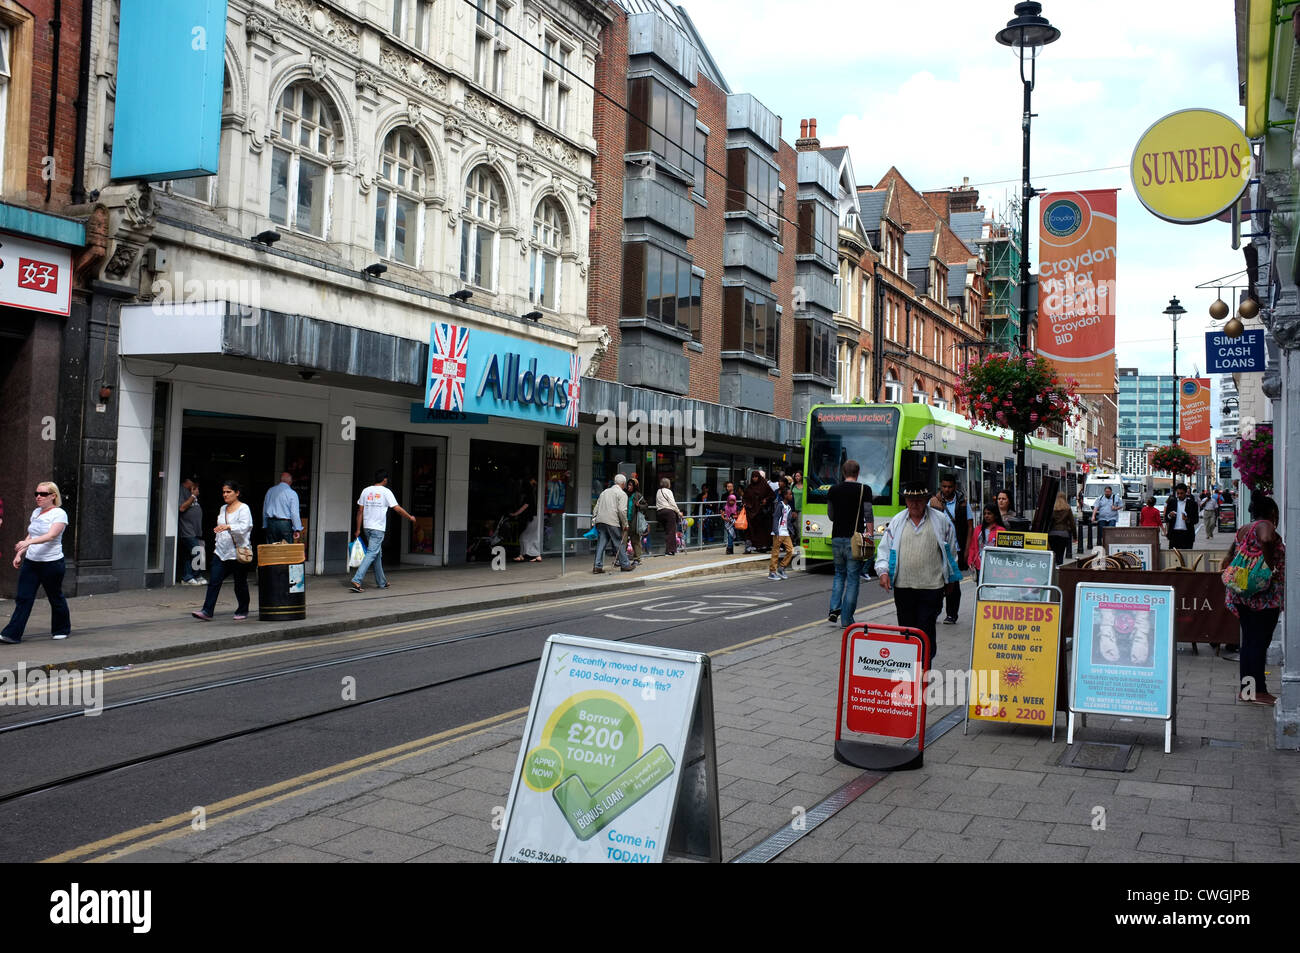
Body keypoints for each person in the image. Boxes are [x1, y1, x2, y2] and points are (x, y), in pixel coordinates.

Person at [876, 480, 961, 663]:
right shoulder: (897, 521)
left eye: (919, 500)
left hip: (932, 587)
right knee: (906, 631)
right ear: (905, 500)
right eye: (910, 500)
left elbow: (951, 553)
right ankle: (909, 666)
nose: (914, 504)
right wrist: (883, 572)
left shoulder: (941, 520)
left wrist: (951, 580)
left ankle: (924, 666)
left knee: (925, 628)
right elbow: (884, 550)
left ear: (926, 499)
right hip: (903, 587)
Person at [1225, 495, 1284, 706]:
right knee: (1259, 643)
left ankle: (1247, 691)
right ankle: (1258, 691)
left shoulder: (1244, 529)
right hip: (1263, 598)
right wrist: (1270, 567)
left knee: (1249, 643)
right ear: (1272, 512)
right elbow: (1266, 539)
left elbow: (1232, 553)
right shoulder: (1264, 525)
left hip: (1243, 594)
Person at [1, 481, 71, 643]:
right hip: (31, 563)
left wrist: (28, 543)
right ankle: (11, 634)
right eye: (36, 494)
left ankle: (61, 629)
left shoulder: (59, 514)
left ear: (53, 496)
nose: (38, 497)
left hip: (52, 563)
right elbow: (32, 534)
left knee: (55, 597)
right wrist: (20, 553)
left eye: (43, 494)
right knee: (23, 598)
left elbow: (51, 536)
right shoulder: (36, 512)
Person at [191, 481, 253, 621]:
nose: (225, 494)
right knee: (214, 581)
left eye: (228, 492)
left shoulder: (244, 508)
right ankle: (207, 611)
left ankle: (243, 609)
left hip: (237, 553)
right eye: (224, 492)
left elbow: (245, 528)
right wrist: (218, 536)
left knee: (240, 584)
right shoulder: (223, 508)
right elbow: (220, 526)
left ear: (237, 493)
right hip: (221, 552)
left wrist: (228, 527)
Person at [350, 469, 416, 592]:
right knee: (372, 553)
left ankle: (382, 582)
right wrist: (409, 517)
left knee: (376, 554)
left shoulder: (366, 491)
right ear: (385, 480)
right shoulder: (386, 492)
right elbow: (397, 508)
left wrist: (358, 529)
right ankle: (357, 579)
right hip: (378, 528)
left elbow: (360, 511)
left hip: (367, 527)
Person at [826, 460, 872, 626]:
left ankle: (834, 609)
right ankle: (846, 620)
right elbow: (868, 514)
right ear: (857, 473)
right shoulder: (864, 489)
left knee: (839, 574)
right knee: (853, 578)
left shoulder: (833, 490)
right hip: (855, 539)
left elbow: (831, 515)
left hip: (836, 537)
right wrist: (870, 535)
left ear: (843, 473)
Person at [930, 475, 973, 624]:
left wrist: (967, 549)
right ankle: (935, 612)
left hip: (956, 548)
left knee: (953, 582)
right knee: (937, 582)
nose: (946, 489)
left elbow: (970, 526)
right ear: (940, 486)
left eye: (949, 487)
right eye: (944, 486)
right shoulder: (933, 502)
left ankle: (951, 614)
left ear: (954, 487)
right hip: (937, 548)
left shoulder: (963, 503)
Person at [593, 474, 631, 573]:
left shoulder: (604, 492)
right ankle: (625, 564)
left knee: (601, 544)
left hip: (600, 521)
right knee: (619, 543)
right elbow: (622, 510)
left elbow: (596, 507)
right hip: (612, 521)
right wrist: (625, 524)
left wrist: (594, 519)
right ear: (623, 484)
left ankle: (597, 566)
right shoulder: (622, 494)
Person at [178, 475, 207, 585]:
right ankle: (191, 576)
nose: (196, 485)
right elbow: (182, 508)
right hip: (187, 529)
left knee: (192, 553)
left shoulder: (192, 491)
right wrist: (193, 496)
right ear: (187, 481)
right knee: (198, 551)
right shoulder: (182, 490)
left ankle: (193, 576)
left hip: (196, 529)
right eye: (194, 483)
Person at [262, 471, 302, 544]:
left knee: (271, 548)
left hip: (271, 523)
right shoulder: (292, 493)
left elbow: (265, 509)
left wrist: (265, 524)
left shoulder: (270, 491)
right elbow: (294, 513)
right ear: (290, 482)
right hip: (285, 524)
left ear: (280, 480)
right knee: (286, 549)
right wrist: (297, 529)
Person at [510, 476, 542, 562]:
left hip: (531, 518)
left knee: (523, 537)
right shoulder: (533, 496)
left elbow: (524, 506)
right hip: (534, 518)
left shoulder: (528, 496)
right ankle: (535, 555)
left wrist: (515, 514)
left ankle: (524, 555)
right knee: (532, 537)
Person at [767, 486, 795, 580]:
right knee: (775, 552)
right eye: (790, 494)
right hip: (778, 532)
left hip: (785, 533)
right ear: (785, 495)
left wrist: (792, 532)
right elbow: (775, 518)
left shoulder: (789, 507)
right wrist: (776, 531)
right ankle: (772, 572)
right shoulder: (780, 505)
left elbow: (788, 522)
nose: (791, 496)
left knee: (790, 550)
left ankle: (781, 568)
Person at [743, 472, 774, 554]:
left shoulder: (764, 486)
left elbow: (772, 495)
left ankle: (763, 546)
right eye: (753, 477)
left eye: (756, 477)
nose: (754, 478)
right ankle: (752, 547)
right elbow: (745, 497)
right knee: (751, 530)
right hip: (751, 513)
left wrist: (766, 500)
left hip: (762, 513)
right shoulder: (749, 487)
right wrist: (747, 504)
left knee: (762, 531)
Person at [969, 504, 1006, 572]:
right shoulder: (978, 529)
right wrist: (970, 560)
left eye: (989, 513)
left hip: (995, 565)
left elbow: (1003, 550)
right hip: (979, 565)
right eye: (985, 514)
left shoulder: (1001, 530)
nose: (986, 516)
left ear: (995, 515)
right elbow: (973, 547)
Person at [1163, 483, 1199, 551]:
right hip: (1174, 534)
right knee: (1174, 555)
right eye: (1178, 493)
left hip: (1187, 535)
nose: (1179, 495)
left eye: (1181, 493)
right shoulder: (1172, 502)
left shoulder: (1192, 503)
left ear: (1186, 492)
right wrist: (1169, 515)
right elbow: (1166, 518)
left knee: (1186, 555)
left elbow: (1196, 520)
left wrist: (1187, 519)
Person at [654, 478, 684, 556]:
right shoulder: (668, 491)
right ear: (668, 484)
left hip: (660, 513)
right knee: (671, 532)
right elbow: (672, 503)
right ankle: (670, 551)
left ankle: (667, 550)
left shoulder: (658, 491)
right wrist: (679, 512)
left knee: (667, 532)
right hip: (669, 513)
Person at [623, 476, 648, 564]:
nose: (628, 487)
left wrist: (639, 506)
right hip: (625, 521)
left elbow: (646, 506)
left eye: (631, 485)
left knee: (635, 540)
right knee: (623, 541)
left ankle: (637, 558)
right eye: (628, 485)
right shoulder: (624, 494)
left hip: (634, 521)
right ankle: (621, 559)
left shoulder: (638, 495)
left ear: (635, 486)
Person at [1048, 491, 1075, 566]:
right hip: (1063, 534)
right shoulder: (1067, 508)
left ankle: (1053, 568)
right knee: (1060, 554)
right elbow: (1072, 523)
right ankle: (1059, 568)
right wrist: (1075, 536)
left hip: (1052, 534)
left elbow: (1049, 521)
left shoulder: (1052, 508)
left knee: (1053, 554)